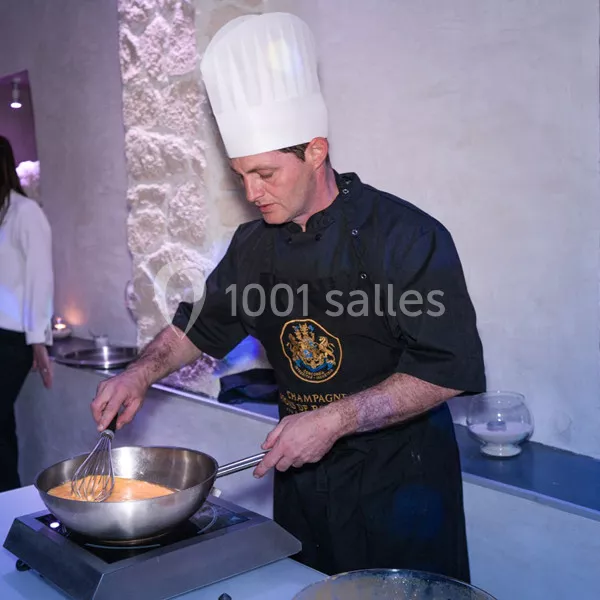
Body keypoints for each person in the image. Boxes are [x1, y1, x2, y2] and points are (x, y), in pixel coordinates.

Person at [91, 13, 485, 582]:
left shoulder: (406, 237)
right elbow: (196, 327)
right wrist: (139, 373)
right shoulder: (252, 247)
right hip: (303, 480)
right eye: (241, 176)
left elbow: (446, 370)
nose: (252, 193)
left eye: (266, 174)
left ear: (316, 152)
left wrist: (334, 419)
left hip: (401, 485)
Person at [0, 135, 53, 492]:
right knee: (2, 425)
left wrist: (38, 340)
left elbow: (40, 277)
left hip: (13, 339)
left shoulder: (25, 212)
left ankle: (8, 499)